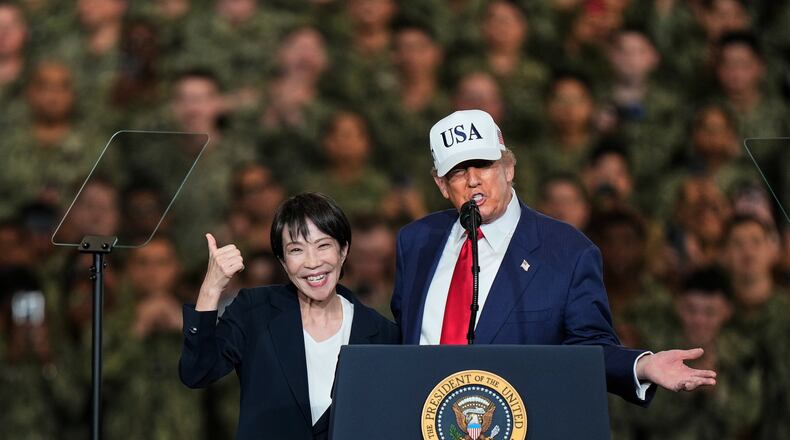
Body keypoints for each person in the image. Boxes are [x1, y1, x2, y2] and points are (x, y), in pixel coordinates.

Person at [391, 109, 717, 407]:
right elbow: (402, 337)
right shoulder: (417, 240)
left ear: (508, 168)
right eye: (458, 171)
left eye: (485, 165)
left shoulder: (567, 251)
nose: (473, 179)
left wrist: (641, 365)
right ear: (442, 185)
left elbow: (589, 347)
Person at [179, 192, 399, 439]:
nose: (312, 262)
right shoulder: (255, 312)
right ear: (283, 262)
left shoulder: (383, 334)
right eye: (296, 250)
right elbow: (197, 371)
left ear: (344, 250)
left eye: (323, 245)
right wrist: (211, 289)